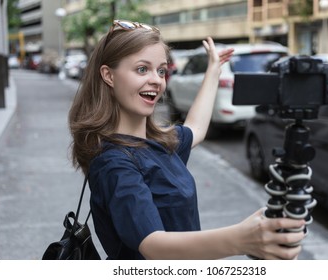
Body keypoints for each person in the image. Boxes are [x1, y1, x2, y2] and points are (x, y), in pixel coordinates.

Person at [68, 19, 306, 260]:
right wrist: (241, 239)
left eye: (161, 70)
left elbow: (196, 127)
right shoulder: (114, 163)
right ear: (108, 75)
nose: (157, 80)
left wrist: (213, 70)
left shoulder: (157, 142)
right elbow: (152, 244)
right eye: (142, 69)